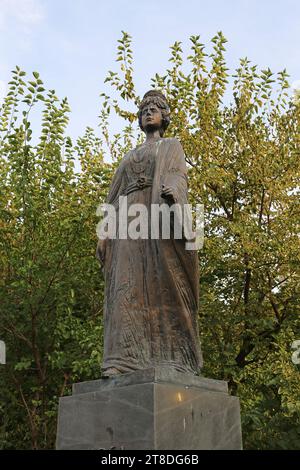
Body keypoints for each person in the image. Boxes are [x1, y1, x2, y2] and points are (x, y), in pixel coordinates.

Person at [96, 90, 203, 377]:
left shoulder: (171, 146)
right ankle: (120, 360)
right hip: (128, 222)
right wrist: (104, 231)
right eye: (144, 109)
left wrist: (173, 191)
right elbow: (113, 194)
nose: (148, 113)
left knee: (161, 285)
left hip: (158, 217)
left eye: (154, 109)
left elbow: (179, 176)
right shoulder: (130, 156)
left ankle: (171, 357)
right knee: (125, 288)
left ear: (164, 116)